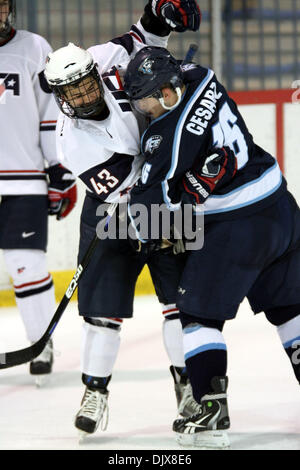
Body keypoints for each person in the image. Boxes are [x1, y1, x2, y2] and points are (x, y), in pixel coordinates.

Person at [123, 45, 300, 449]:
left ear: (168, 93)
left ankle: (211, 408)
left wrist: (140, 215)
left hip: (238, 224)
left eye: (148, 100)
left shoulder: (166, 137)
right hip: (281, 207)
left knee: (196, 315)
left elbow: (154, 211)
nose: (145, 109)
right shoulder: (200, 76)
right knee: (291, 307)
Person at [44, 1, 202, 439]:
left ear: (93, 72)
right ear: (61, 97)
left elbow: (144, 37)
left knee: (181, 305)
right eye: (71, 93)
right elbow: (131, 192)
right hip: (115, 210)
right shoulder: (71, 144)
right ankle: (95, 392)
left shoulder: (107, 57)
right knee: (101, 313)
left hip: (164, 197)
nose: (82, 96)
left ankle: (188, 388)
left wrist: (159, 10)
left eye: (84, 85)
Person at [0, 0, 77, 386]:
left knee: (26, 264)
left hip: (24, 178)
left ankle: (40, 341)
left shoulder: (34, 48)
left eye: (0, 5)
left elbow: (53, 115)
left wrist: (59, 171)